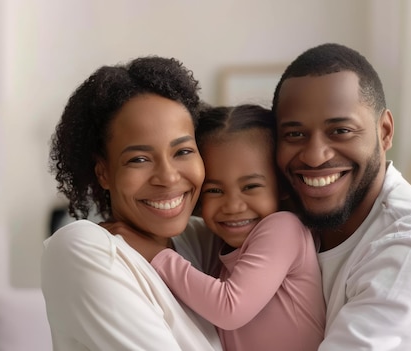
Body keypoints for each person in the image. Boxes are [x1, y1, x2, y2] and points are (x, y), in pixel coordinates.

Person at [271, 43, 411, 349]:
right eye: (294, 134)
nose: (315, 157)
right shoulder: (291, 224)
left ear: (384, 131)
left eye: (340, 131)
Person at [41, 56, 223, 350]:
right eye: (139, 159)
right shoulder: (82, 247)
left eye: (183, 151)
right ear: (103, 172)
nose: (167, 177)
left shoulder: (202, 241)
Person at [120, 104, 325, 351]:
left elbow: (230, 308)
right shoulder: (221, 250)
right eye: (215, 190)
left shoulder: (284, 228)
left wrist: (155, 254)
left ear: (281, 186)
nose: (233, 206)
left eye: (250, 187)